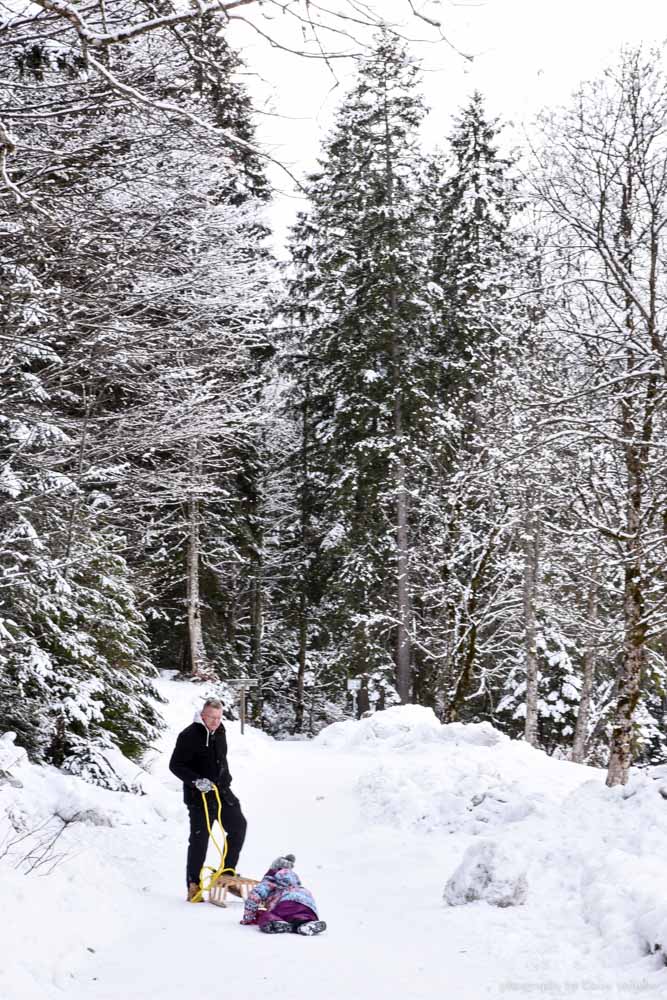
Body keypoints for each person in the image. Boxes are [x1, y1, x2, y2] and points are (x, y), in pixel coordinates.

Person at [169, 697, 247, 902]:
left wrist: (225, 778)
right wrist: (196, 781)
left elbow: (221, 759)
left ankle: (226, 875)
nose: (215, 721)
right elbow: (175, 765)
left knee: (238, 827)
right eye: (211, 717)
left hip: (222, 792)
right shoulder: (189, 735)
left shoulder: (220, 731)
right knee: (200, 839)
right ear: (202, 715)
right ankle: (193, 884)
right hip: (199, 797)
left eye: (218, 717)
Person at [240, 854, 326, 936]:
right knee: (299, 916)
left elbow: (254, 897)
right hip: (308, 904)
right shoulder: (295, 882)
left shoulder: (269, 881)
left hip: (286, 903)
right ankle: (307, 924)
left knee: (265, 916)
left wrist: (248, 918)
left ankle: (277, 922)